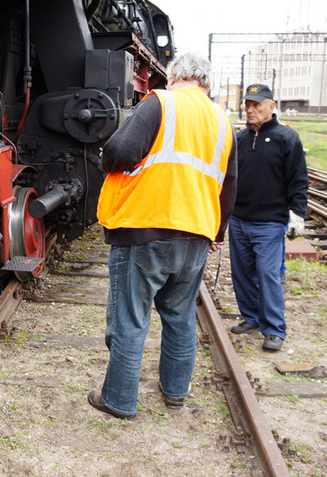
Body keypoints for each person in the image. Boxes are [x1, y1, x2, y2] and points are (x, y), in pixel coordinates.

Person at [88, 51, 237, 419]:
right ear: (204, 82)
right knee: (181, 316)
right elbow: (229, 186)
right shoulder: (222, 121)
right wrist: (216, 232)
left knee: (130, 317)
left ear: (174, 77)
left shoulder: (162, 103)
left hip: (147, 228)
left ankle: (119, 399)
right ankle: (174, 392)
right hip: (197, 234)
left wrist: (108, 162)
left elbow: (121, 150)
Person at [229, 84, 308, 351]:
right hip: (238, 219)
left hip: (269, 222)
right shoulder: (239, 138)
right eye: (247, 104)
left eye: (257, 104)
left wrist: (297, 214)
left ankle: (274, 329)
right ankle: (251, 317)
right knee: (241, 273)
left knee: (267, 274)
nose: (250, 109)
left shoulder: (287, 138)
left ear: (271, 106)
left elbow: (298, 179)